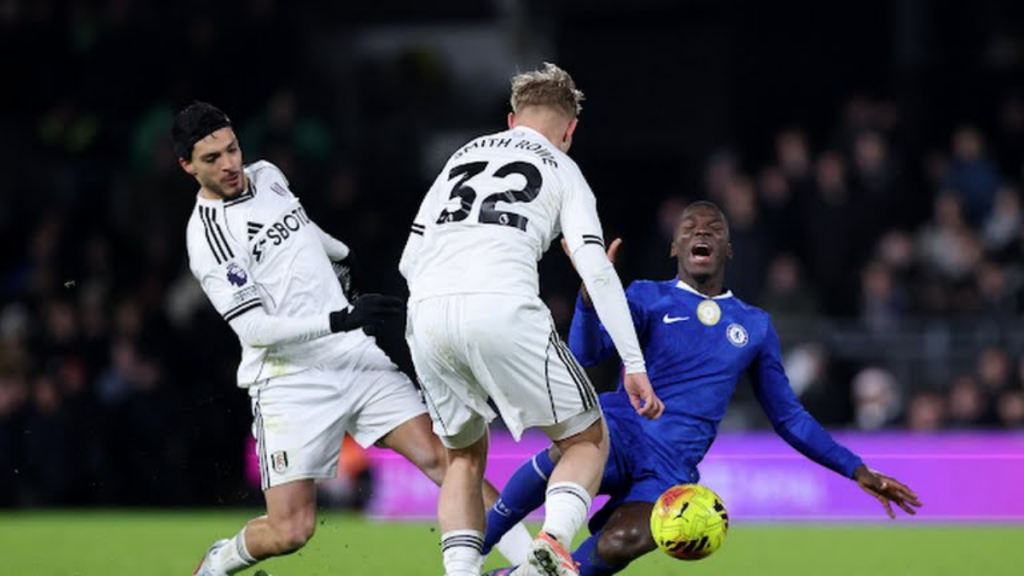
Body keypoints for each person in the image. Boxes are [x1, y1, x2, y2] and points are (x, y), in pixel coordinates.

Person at [173, 102, 530, 576]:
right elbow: (254, 329)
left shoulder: (268, 174)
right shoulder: (208, 237)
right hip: (290, 381)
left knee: (449, 460)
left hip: (353, 356)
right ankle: (218, 562)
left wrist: (342, 252)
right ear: (187, 166)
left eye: (232, 149)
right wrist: (340, 318)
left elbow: (300, 229)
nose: (230, 164)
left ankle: (537, 565)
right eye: (212, 158)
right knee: (291, 530)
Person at [482, 201, 923, 576]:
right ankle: (475, 546)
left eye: (714, 230)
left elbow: (788, 417)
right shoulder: (644, 296)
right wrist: (589, 295)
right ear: (675, 247)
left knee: (625, 541)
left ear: (727, 249)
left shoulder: (753, 325)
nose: (702, 233)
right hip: (617, 431)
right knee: (569, 453)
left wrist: (856, 469)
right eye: (690, 228)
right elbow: (587, 352)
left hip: (669, 469)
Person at [399, 63, 664, 576]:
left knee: (462, 458)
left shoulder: (461, 156)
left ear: (510, 119)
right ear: (570, 130)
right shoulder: (565, 170)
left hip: (427, 311)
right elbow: (597, 270)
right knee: (587, 440)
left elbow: (409, 257)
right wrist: (634, 362)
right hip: (503, 307)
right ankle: (552, 543)